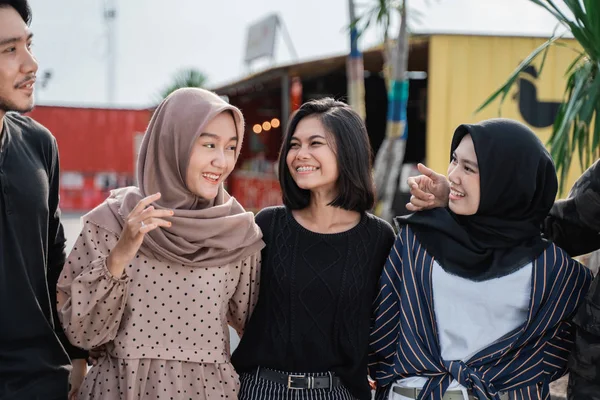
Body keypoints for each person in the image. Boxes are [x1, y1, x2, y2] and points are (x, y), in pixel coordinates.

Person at [56, 88, 265, 399]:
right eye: (208, 144)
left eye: (231, 147)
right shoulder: (111, 221)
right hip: (122, 389)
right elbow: (81, 332)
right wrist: (121, 254)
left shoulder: (237, 231)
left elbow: (260, 330)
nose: (221, 161)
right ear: (172, 143)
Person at [369, 118, 592, 400]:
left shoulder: (557, 272)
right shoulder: (417, 240)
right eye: (454, 160)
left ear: (507, 181)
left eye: (469, 168)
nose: (452, 175)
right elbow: (382, 333)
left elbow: (559, 354)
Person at [231, 98, 396, 400]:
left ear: (348, 150)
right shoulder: (269, 224)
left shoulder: (378, 238)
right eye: (294, 145)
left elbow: (386, 326)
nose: (300, 154)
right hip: (262, 389)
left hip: (338, 392)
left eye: (314, 143)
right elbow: (238, 307)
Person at [0, 1, 87, 399]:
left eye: (28, 45)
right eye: (9, 50)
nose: (31, 64)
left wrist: (75, 353)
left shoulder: (40, 144)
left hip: (39, 378)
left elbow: (54, 258)